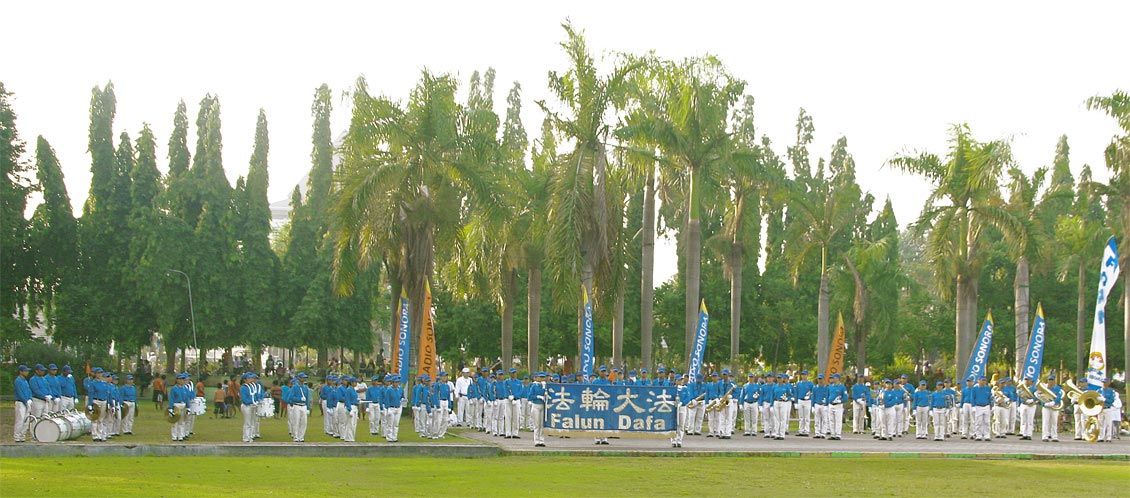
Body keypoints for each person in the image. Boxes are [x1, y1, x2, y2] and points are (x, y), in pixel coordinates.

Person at [286, 373, 311, 442]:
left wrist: (308, 408)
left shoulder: (305, 388)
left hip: (304, 406)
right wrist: (299, 399)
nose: (304, 379)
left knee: (304, 422)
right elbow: (291, 397)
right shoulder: (295, 387)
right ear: (299, 378)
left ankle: (301, 436)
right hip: (297, 405)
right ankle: (296, 436)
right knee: (296, 421)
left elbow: (307, 398)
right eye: (303, 378)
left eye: (305, 378)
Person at [1041, 374, 1063, 442]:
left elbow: (1059, 396)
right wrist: (1044, 404)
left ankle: (1054, 436)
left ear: (1054, 381)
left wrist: (1054, 402)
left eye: (1052, 380)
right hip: (1046, 407)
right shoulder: (1044, 388)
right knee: (1045, 421)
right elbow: (1040, 396)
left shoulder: (1058, 388)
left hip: (1054, 406)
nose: (1050, 381)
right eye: (1049, 380)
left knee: (1054, 422)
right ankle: (1045, 436)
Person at [528, 371, 548, 447]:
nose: (542, 379)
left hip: (543, 406)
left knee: (542, 425)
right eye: (540, 377)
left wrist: (545, 392)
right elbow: (530, 396)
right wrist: (537, 396)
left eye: (543, 377)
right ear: (537, 378)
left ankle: (541, 440)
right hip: (536, 405)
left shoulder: (545, 386)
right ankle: (536, 440)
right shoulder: (534, 386)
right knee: (536, 424)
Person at [13, 365, 33, 442]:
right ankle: (17, 436)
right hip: (20, 402)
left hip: (27, 402)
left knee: (26, 420)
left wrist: (30, 399)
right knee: (20, 420)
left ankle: (22, 436)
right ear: (21, 371)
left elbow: (29, 391)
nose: (27, 372)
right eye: (25, 371)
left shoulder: (25, 381)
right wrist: (25, 400)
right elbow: (20, 392)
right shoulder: (18, 381)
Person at [971, 375, 993, 442]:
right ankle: (978, 435)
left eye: (984, 380)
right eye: (982, 380)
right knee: (979, 422)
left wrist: (992, 405)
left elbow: (990, 397)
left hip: (986, 406)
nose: (983, 382)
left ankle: (987, 435)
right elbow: (972, 397)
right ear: (979, 380)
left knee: (987, 422)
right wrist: (973, 406)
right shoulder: (975, 388)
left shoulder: (988, 388)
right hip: (978, 406)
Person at [383, 374, 404, 442]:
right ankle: (389, 437)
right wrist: (388, 408)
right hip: (391, 408)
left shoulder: (399, 389)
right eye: (396, 382)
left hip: (398, 408)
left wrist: (402, 399)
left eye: (398, 382)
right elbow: (387, 400)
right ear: (393, 383)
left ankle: (395, 437)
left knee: (396, 424)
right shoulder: (389, 390)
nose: (397, 383)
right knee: (390, 424)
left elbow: (402, 396)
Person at [827, 373, 847, 440]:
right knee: (831, 420)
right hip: (831, 404)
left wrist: (840, 401)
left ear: (838, 378)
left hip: (838, 405)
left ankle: (838, 434)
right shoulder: (830, 386)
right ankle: (833, 434)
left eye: (834, 378)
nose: (833, 379)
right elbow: (828, 395)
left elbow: (845, 397)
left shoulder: (842, 387)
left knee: (838, 420)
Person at [794, 370, 814, 437]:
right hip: (800, 400)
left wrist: (809, 397)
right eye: (802, 375)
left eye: (805, 375)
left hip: (807, 400)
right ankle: (801, 430)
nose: (803, 376)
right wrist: (796, 402)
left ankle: (806, 430)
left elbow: (812, 392)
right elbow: (796, 392)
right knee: (801, 417)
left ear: (807, 375)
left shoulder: (810, 384)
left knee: (807, 416)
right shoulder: (798, 384)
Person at [239, 373, 257, 442]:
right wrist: (252, 402)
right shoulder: (243, 388)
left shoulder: (252, 386)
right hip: (247, 406)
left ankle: (250, 436)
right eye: (249, 378)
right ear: (245, 380)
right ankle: (246, 437)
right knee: (247, 422)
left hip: (252, 405)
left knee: (252, 422)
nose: (251, 379)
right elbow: (244, 399)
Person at [1098, 378, 1116, 442]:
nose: (1104, 384)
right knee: (1100, 423)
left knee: (1108, 423)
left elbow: (1112, 400)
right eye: (1103, 382)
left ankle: (1109, 437)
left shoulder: (1111, 391)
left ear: (1108, 383)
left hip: (1108, 408)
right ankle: (1101, 437)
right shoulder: (1098, 391)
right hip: (1100, 409)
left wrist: (1105, 399)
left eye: (1105, 382)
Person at [812, 374, 829, 439]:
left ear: (824, 380)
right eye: (819, 379)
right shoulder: (815, 388)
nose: (820, 380)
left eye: (821, 379)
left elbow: (827, 396)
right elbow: (813, 396)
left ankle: (823, 433)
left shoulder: (826, 388)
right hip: (817, 404)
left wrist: (826, 405)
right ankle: (817, 433)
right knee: (817, 419)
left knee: (824, 419)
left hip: (823, 405)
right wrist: (812, 406)